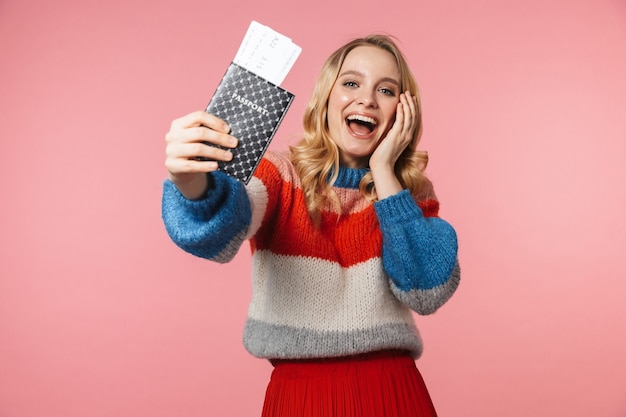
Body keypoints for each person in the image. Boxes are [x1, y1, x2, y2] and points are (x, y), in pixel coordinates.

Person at [162, 34, 460, 417]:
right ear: (326, 98)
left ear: (403, 112)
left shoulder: (407, 196)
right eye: (351, 83)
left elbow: (427, 292)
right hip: (302, 399)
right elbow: (220, 228)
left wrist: (385, 173)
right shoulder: (279, 176)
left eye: (385, 90)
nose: (367, 99)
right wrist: (190, 181)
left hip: (394, 394)